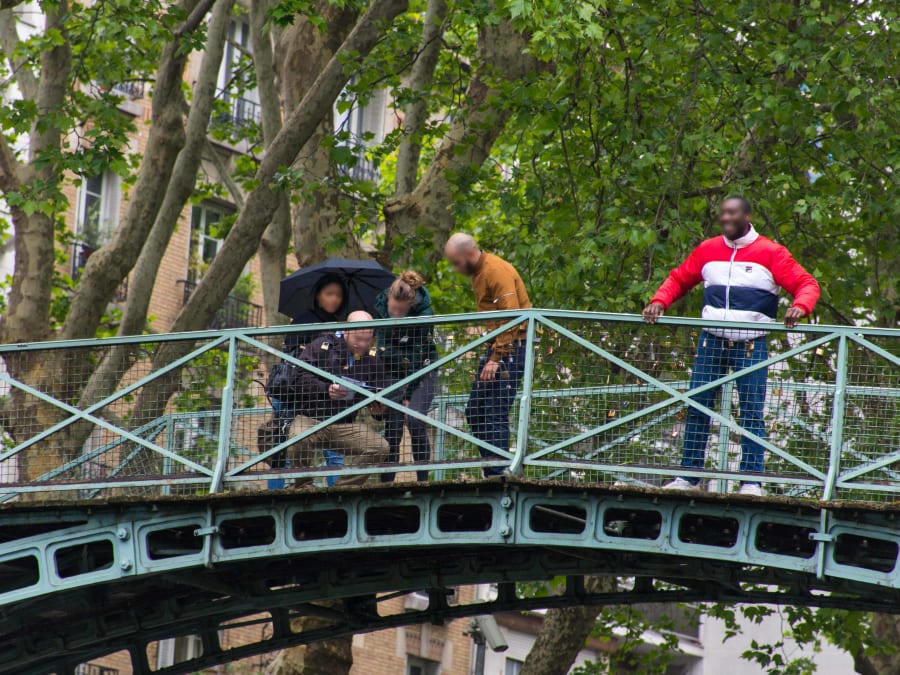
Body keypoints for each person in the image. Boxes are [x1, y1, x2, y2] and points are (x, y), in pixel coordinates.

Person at [642, 197, 820, 496]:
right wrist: (660, 301)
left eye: (732, 213)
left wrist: (800, 307)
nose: (725, 218)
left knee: (751, 412)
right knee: (697, 406)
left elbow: (807, 284)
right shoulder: (708, 249)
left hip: (750, 344)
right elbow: (679, 279)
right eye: (723, 213)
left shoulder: (771, 252)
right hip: (711, 340)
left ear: (747, 216)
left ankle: (751, 481)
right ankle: (688, 476)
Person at [444, 233, 532, 477]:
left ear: (469, 254)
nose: (455, 269)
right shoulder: (478, 273)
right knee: (475, 410)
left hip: (514, 345)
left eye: (456, 262)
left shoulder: (495, 270)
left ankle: (500, 472)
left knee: (495, 409)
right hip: (497, 346)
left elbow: (512, 317)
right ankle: (492, 468)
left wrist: (496, 358)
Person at [285, 311, 390, 487]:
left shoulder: (373, 360)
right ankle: (304, 487)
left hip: (345, 425)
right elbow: (298, 378)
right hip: (311, 419)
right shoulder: (321, 345)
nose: (363, 344)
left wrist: (380, 411)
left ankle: (342, 490)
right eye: (358, 339)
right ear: (346, 331)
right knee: (297, 437)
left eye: (368, 339)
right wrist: (325, 389)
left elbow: (381, 392)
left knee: (380, 447)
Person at [373, 270, 439, 482]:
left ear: (410, 307)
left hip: (423, 371)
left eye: (400, 311)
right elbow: (382, 350)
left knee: (415, 419)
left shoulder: (425, 315)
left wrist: (408, 395)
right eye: (392, 308)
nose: (394, 313)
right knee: (393, 423)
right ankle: (386, 482)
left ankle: (423, 480)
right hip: (392, 370)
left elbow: (418, 358)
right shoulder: (381, 306)